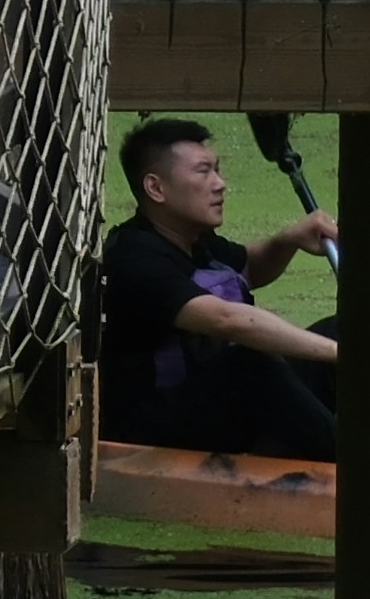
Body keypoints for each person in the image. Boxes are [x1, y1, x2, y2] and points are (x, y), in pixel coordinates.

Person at [92, 116, 349, 463]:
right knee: (250, 363)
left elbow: (245, 269)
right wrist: (340, 354)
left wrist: (289, 240)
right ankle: (362, 466)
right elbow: (228, 320)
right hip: (153, 424)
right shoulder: (133, 256)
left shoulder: (196, 240)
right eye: (203, 172)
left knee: (340, 328)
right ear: (156, 188)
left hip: (217, 399)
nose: (220, 184)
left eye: (218, 170)